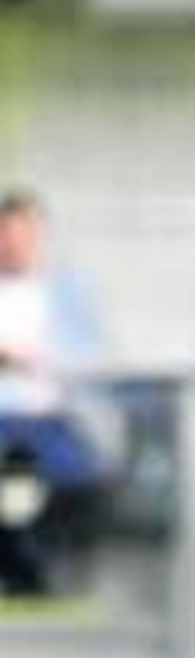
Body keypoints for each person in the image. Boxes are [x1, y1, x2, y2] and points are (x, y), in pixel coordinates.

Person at [0, 189, 112, 593]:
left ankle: (28, 574)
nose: (16, 244)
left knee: (39, 471)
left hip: (52, 420)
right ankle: (27, 577)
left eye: (25, 234)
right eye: (8, 234)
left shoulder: (67, 294)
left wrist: (40, 359)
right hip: (6, 422)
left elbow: (92, 357)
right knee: (16, 469)